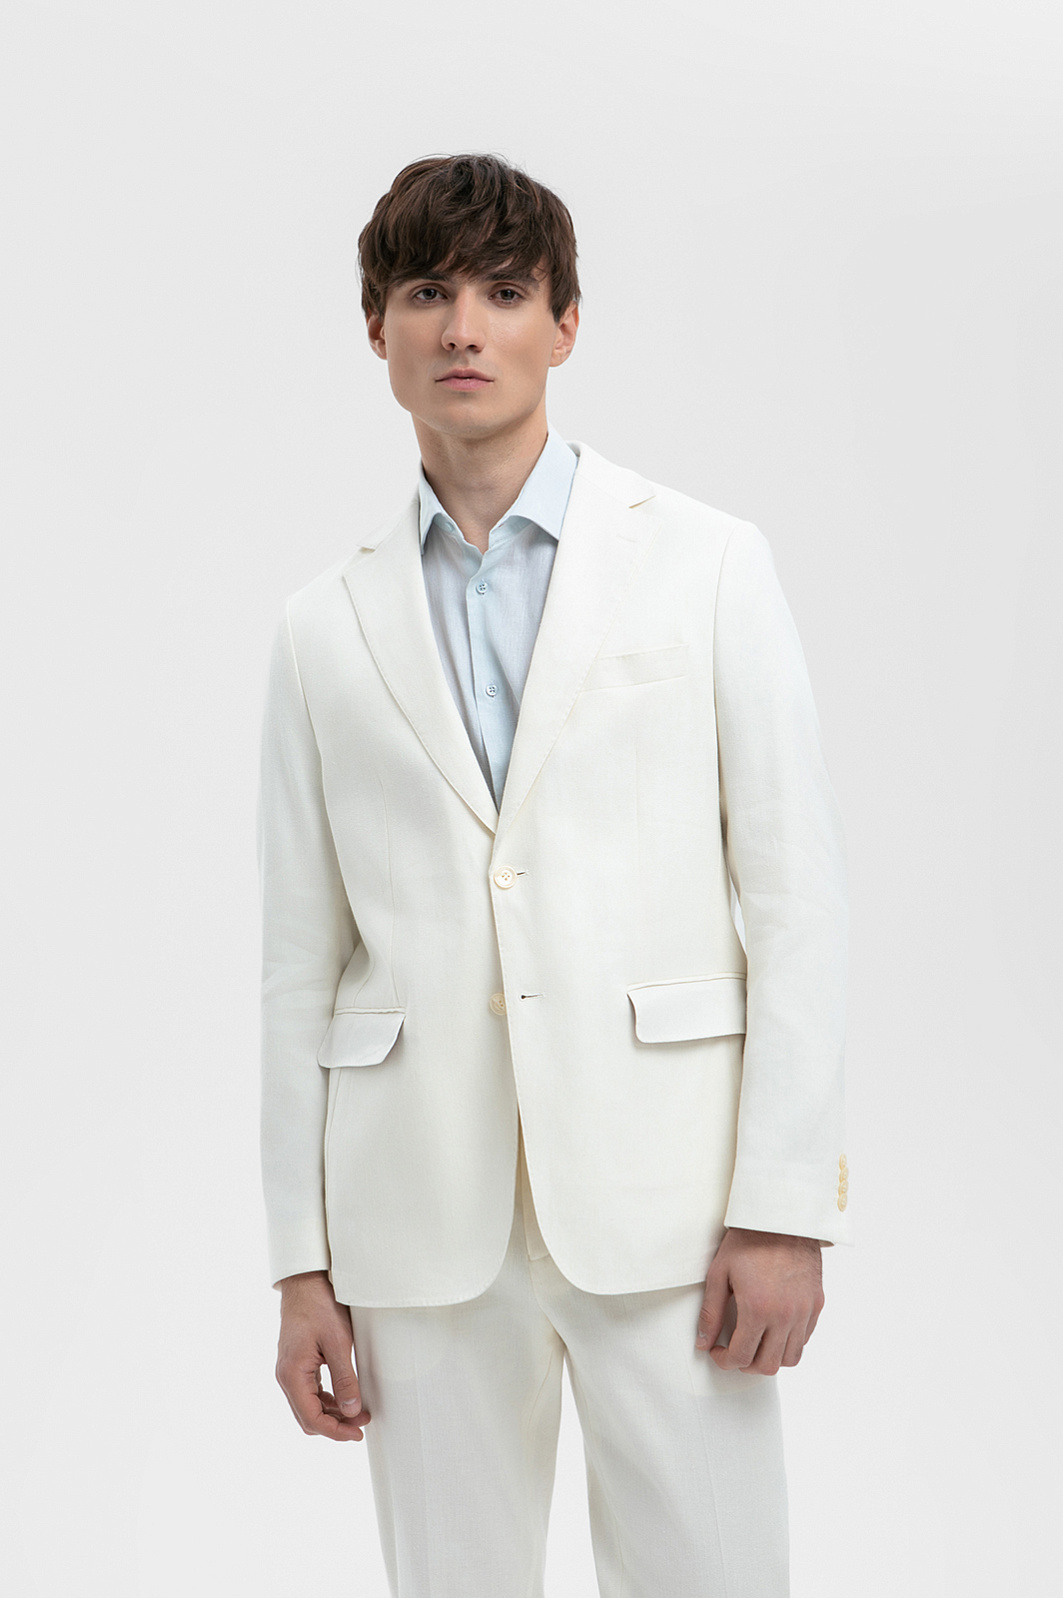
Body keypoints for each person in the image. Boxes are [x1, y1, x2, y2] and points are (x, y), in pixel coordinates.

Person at [257, 152, 849, 1598]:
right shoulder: (322, 627)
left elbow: (794, 905)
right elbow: (297, 963)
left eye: (506, 292)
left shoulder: (708, 564)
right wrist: (300, 1261)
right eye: (426, 292)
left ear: (565, 323)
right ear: (378, 328)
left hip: (672, 1204)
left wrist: (784, 1204)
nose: (464, 328)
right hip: (417, 1219)